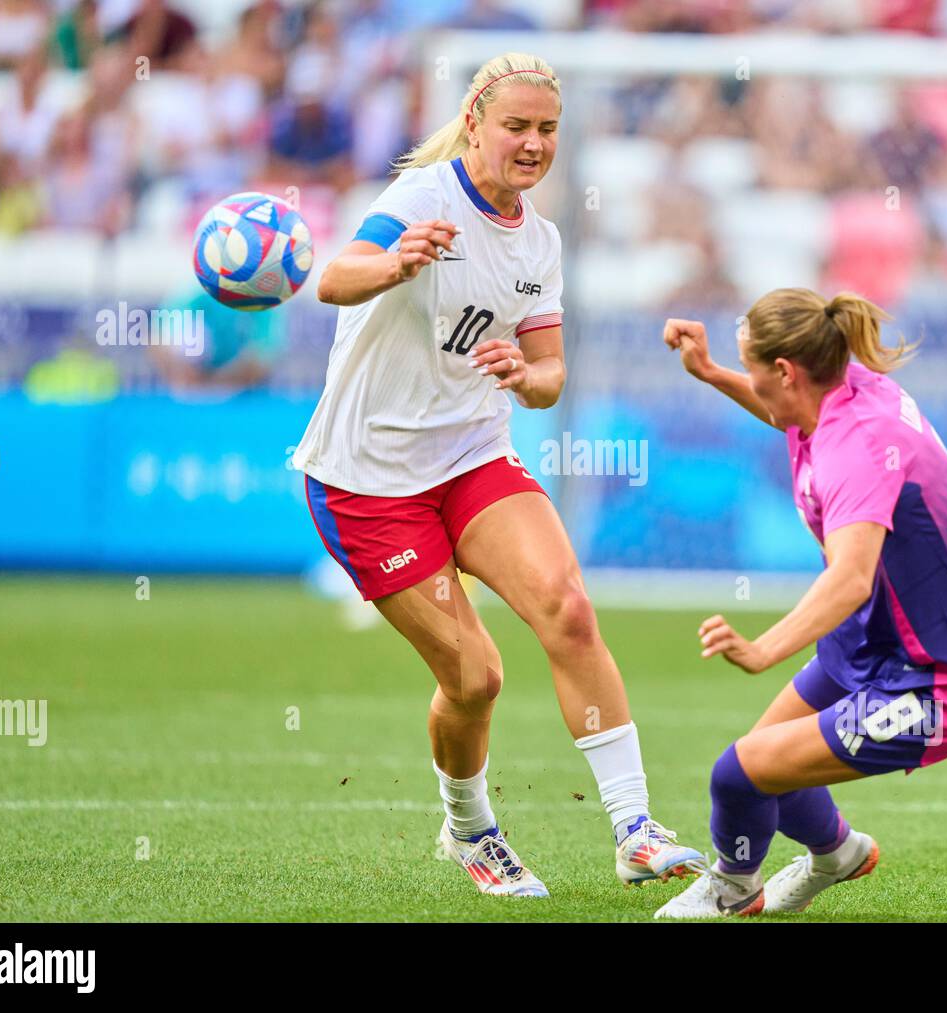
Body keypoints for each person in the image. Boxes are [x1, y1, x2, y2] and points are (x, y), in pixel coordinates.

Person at [292, 52, 702, 898]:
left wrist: (524, 370)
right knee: (475, 678)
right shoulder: (421, 199)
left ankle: (633, 826)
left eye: (547, 129)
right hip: (368, 480)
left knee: (569, 608)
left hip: (473, 454)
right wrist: (397, 263)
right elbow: (333, 278)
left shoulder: (540, 241)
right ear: (475, 120)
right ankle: (471, 826)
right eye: (516, 125)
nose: (533, 143)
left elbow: (552, 378)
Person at [654, 290, 947, 918]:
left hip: (943, 680)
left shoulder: (856, 444)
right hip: (871, 642)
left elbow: (851, 578)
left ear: (787, 371)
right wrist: (713, 372)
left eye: (753, 367)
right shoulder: (838, 390)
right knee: (767, 774)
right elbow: (783, 414)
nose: (755, 383)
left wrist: (762, 648)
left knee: (737, 774)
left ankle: (734, 889)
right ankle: (838, 853)